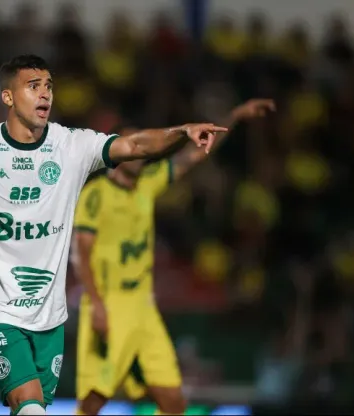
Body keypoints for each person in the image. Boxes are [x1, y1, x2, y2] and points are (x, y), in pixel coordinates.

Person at [0, 54, 228, 416]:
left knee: (32, 409)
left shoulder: (71, 146)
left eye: (48, 86)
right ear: (8, 97)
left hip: (49, 316)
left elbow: (135, 146)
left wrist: (181, 132)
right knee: (31, 407)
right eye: (33, 86)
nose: (45, 94)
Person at [72, 99, 276, 415]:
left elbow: (194, 154)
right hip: (110, 305)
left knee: (173, 402)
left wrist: (234, 116)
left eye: (142, 145)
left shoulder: (147, 186)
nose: (140, 152)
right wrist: (96, 304)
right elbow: (80, 253)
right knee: (94, 401)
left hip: (144, 307)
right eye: (132, 145)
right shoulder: (96, 195)